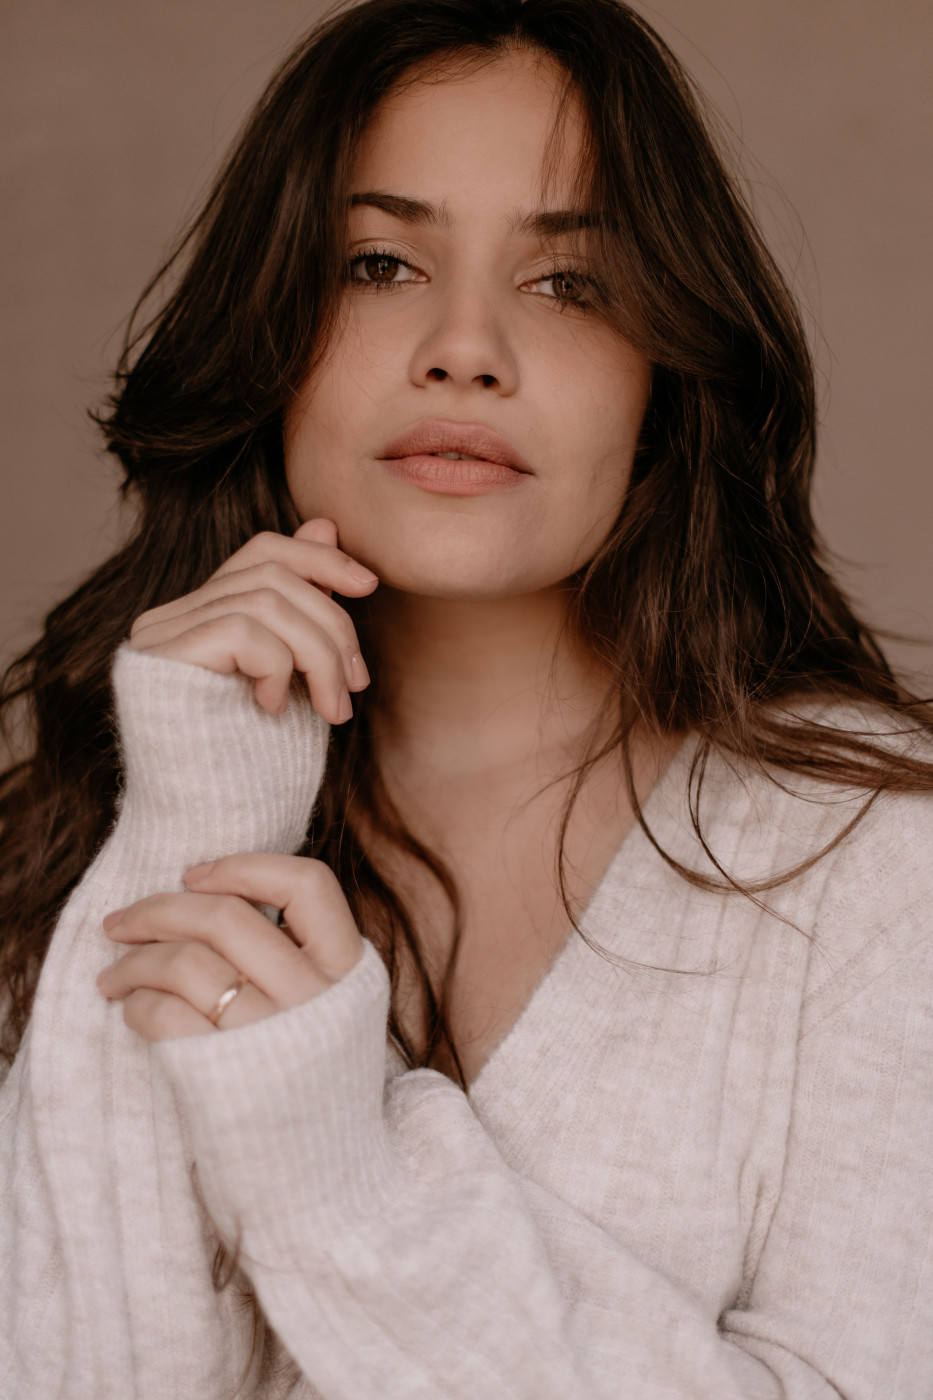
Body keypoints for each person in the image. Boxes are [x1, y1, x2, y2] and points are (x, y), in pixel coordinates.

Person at [1, 0, 930, 1395]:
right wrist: (189, 823)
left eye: (568, 283)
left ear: (662, 381)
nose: (464, 347)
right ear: (273, 332)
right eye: (380, 264)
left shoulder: (874, 860)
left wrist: (338, 1176)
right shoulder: (90, 824)